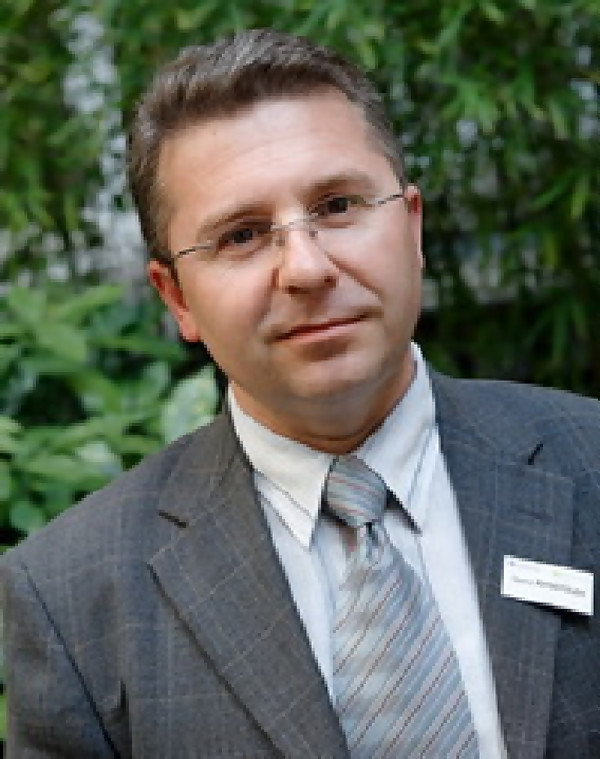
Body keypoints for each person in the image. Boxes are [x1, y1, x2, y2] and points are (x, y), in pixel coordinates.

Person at [2, 28, 600, 759]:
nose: (307, 268)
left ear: (412, 227)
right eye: (242, 235)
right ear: (177, 297)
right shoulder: (72, 600)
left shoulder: (590, 463)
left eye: (339, 205)